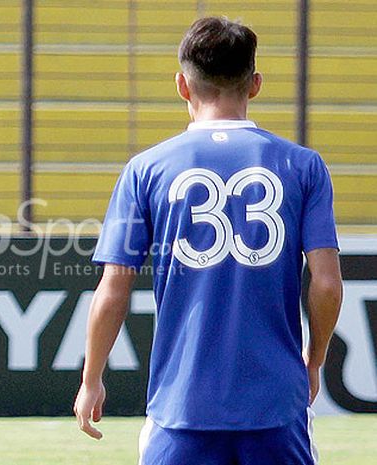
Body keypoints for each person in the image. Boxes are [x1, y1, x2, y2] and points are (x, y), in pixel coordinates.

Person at [73, 17, 343, 465]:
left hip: (181, 405)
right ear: (255, 84)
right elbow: (327, 283)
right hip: (277, 404)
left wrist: (91, 379)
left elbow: (113, 288)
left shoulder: (146, 169)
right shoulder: (304, 165)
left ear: (182, 85)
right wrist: (313, 361)